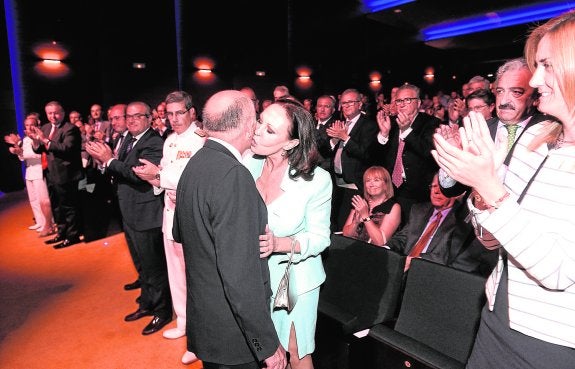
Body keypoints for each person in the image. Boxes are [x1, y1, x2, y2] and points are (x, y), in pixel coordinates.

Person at [432, 10, 575, 368]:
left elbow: (557, 271)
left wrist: (488, 186)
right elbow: (491, 238)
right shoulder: (535, 140)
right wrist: (483, 191)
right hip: (498, 313)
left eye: (546, 65)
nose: (536, 79)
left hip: (552, 339)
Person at [173, 90, 287, 369]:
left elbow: (179, 232)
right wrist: (266, 345)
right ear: (247, 126)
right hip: (235, 336)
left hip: (207, 323)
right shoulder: (234, 176)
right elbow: (240, 276)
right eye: (257, 120)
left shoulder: (196, 164)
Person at [243, 98, 332, 369]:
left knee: (296, 350)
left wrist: (279, 244)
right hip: (255, 277)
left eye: (270, 130)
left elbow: (320, 237)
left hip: (295, 278)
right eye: (260, 121)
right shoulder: (248, 164)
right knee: (269, 351)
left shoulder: (316, 180)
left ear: (291, 143)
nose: (257, 130)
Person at [86, 101, 172, 336]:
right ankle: (147, 304)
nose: (131, 120)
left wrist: (110, 161)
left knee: (154, 267)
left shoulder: (154, 142)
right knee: (141, 265)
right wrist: (107, 163)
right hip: (129, 212)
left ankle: (162, 311)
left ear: (148, 118)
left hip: (146, 215)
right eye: (129, 116)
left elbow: (137, 176)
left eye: (137, 116)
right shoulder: (126, 139)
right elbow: (118, 171)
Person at [133, 91, 205, 365]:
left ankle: (198, 339)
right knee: (176, 274)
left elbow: (192, 177)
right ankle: (184, 322)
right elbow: (162, 173)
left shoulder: (202, 140)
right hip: (170, 213)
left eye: (179, 113)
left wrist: (159, 176)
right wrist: (152, 178)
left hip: (191, 216)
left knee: (196, 278)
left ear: (192, 112)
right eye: (169, 114)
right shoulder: (169, 140)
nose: (174, 119)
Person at [438, 57, 548, 198]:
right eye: (500, 91)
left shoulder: (550, 132)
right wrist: (454, 155)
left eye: (516, 92)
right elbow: (451, 190)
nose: (504, 101)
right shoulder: (477, 130)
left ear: (535, 97)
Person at [385, 173, 497, 275]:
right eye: (433, 186)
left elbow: (446, 255)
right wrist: (386, 247)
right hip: (402, 266)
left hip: (429, 271)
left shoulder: (459, 220)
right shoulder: (418, 210)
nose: (436, 191)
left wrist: (415, 261)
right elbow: (402, 238)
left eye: (440, 188)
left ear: (453, 192)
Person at [369, 83, 442, 226]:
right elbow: (374, 157)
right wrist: (383, 134)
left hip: (419, 193)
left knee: (413, 234)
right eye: (399, 101)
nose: (402, 104)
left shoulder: (431, 123)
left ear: (418, 103)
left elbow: (429, 153)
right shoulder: (391, 123)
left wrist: (408, 131)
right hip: (392, 191)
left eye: (407, 100)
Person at [31, 101, 84, 249]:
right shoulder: (45, 128)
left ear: (63, 113)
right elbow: (38, 149)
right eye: (49, 113)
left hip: (67, 174)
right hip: (50, 173)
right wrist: (36, 141)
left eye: (56, 113)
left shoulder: (71, 128)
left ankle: (72, 236)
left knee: (69, 206)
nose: (53, 116)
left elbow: (66, 148)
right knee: (56, 207)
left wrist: (45, 139)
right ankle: (61, 233)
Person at [327, 88, 378, 231]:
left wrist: (345, 137)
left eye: (351, 102)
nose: (347, 106)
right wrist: (333, 141)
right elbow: (326, 151)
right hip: (336, 182)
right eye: (343, 103)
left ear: (360, 104)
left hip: (355, 184)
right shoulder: (340, 123)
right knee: (333, 222)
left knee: (348, 225)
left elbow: (365, 154)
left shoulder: (369, 125)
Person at [4, 116, 54, 237]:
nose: (29, 127)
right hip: (29, 171)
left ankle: (47, 222)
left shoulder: (40, 137)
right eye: (27, 125)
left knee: (43, 199)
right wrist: (18, 151)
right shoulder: (26, 139)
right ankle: (39, 221)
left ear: (37, 125)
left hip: (39, 170)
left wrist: (19, 149)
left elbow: (37, 155)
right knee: (33, 199)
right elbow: (23, 158)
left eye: (32, 124)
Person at [342, 166, 400, 246]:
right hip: (354, 248)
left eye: (376, 180)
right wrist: (355, 222)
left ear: (386, 185)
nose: (371, 184)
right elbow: (346, 235)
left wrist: (366, 217)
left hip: (375, 254)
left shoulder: (393, 207)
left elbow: (380, 242)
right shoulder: (361, 202)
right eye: (368, 181)